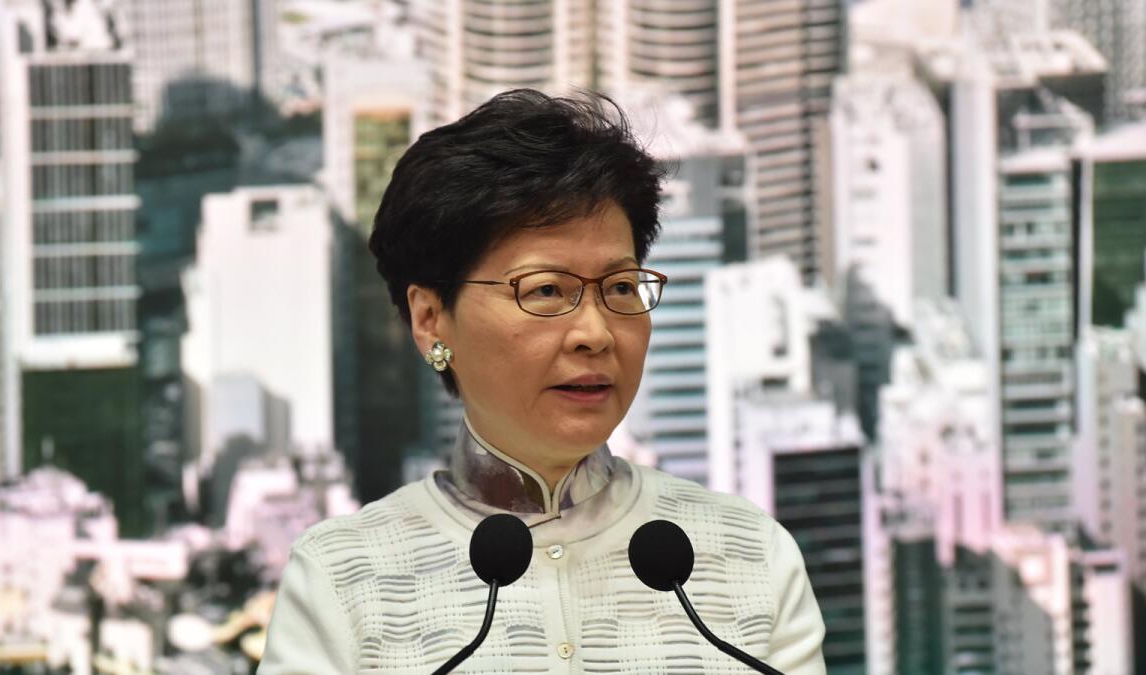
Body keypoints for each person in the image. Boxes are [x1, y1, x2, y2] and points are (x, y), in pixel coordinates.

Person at [259, 89, 826, 673]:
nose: (595, 333)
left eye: (622, 288)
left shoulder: (749, 555)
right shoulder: (342, 579)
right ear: (431, 321)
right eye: (546, 291)